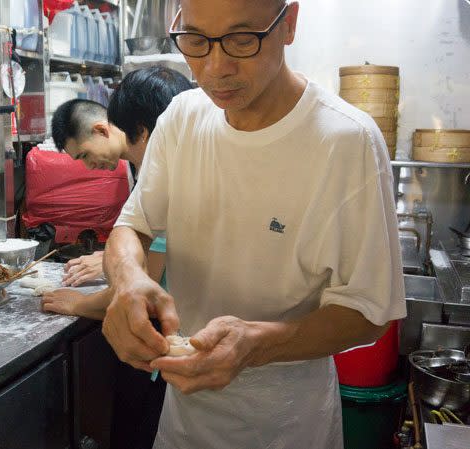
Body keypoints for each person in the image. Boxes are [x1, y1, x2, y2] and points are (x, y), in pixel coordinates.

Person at [102, 1, 406, 448]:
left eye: (242, 40)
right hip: (184, 427)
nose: (215, 68)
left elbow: (369, 314)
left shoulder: (346, 142)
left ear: (289, 25)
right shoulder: (182, 119)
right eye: (196, 40)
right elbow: (132, 227)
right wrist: (127, 278)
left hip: (289, 427)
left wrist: (256, 343)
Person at [48, 67, 194, 289]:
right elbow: (145, 233)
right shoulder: (137, 166)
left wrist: (111, 270)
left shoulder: (174, 168)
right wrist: (113, 258)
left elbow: (160, 255)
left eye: (85, 155)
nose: (89, 167)